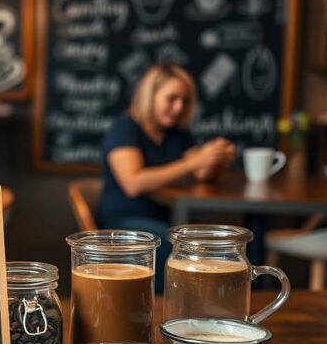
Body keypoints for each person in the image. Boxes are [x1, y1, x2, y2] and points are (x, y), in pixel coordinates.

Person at [98, 64, 236, 290]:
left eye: (184, 101)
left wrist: (216, 159)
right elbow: (133, 183)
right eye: (171, 99)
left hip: (166, 221)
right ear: (150, 96)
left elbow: (201, 174)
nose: (178, 107)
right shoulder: (124, 128)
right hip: (121, 222)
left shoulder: (177, 134)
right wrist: (194, 161)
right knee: (178, 248)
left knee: (217, 245)